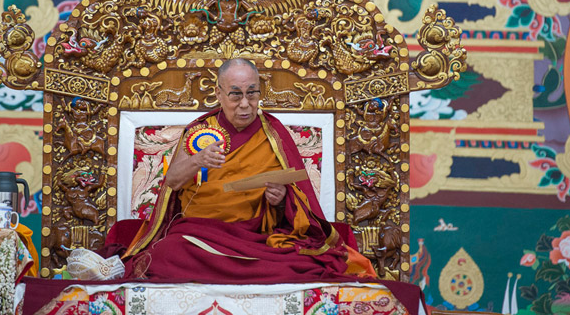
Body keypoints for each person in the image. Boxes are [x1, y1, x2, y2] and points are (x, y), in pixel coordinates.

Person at [117, 58, 377, 283]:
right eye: (235, 94)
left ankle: (239, 270)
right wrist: (198, 160)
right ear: (219, 94)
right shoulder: (199, 130)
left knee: (302, 264)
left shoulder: (274, 134)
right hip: (198, 234)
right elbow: (172, 181)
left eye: (252, 93)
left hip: (255, 238)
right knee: (167, 253)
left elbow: (298, 205)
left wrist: (280, 201)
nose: (245, 104)